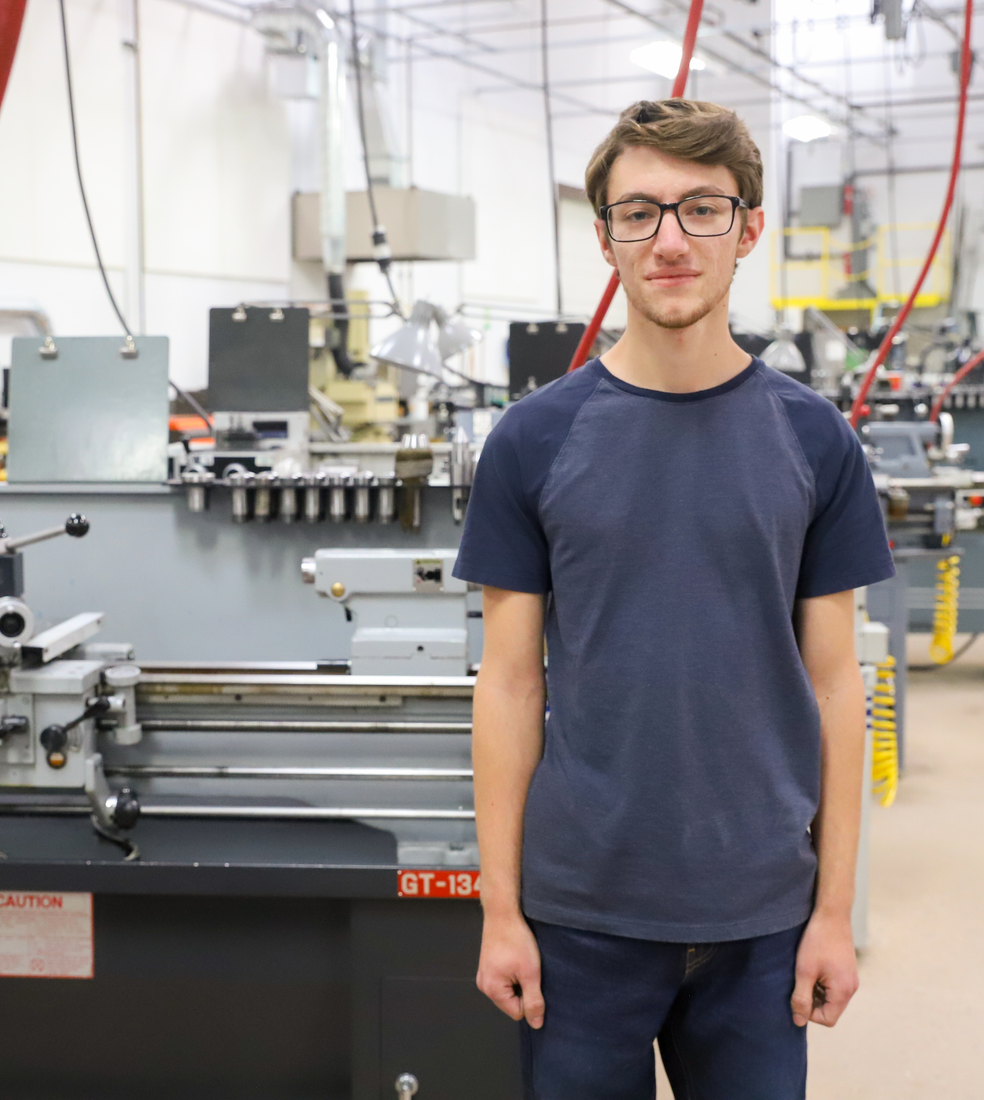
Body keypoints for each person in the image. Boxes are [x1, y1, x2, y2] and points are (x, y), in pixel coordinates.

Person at [452, 99, 895, 1100]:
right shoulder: (530, 440)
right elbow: (511, 683)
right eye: (637, 212)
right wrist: (501, 908)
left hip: (760, 919)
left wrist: (831, 909)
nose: (667, 239)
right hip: (579, 916)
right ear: (603, 234)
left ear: (747, 229)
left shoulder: (814, 440)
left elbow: (835, 686)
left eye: (700, 209)